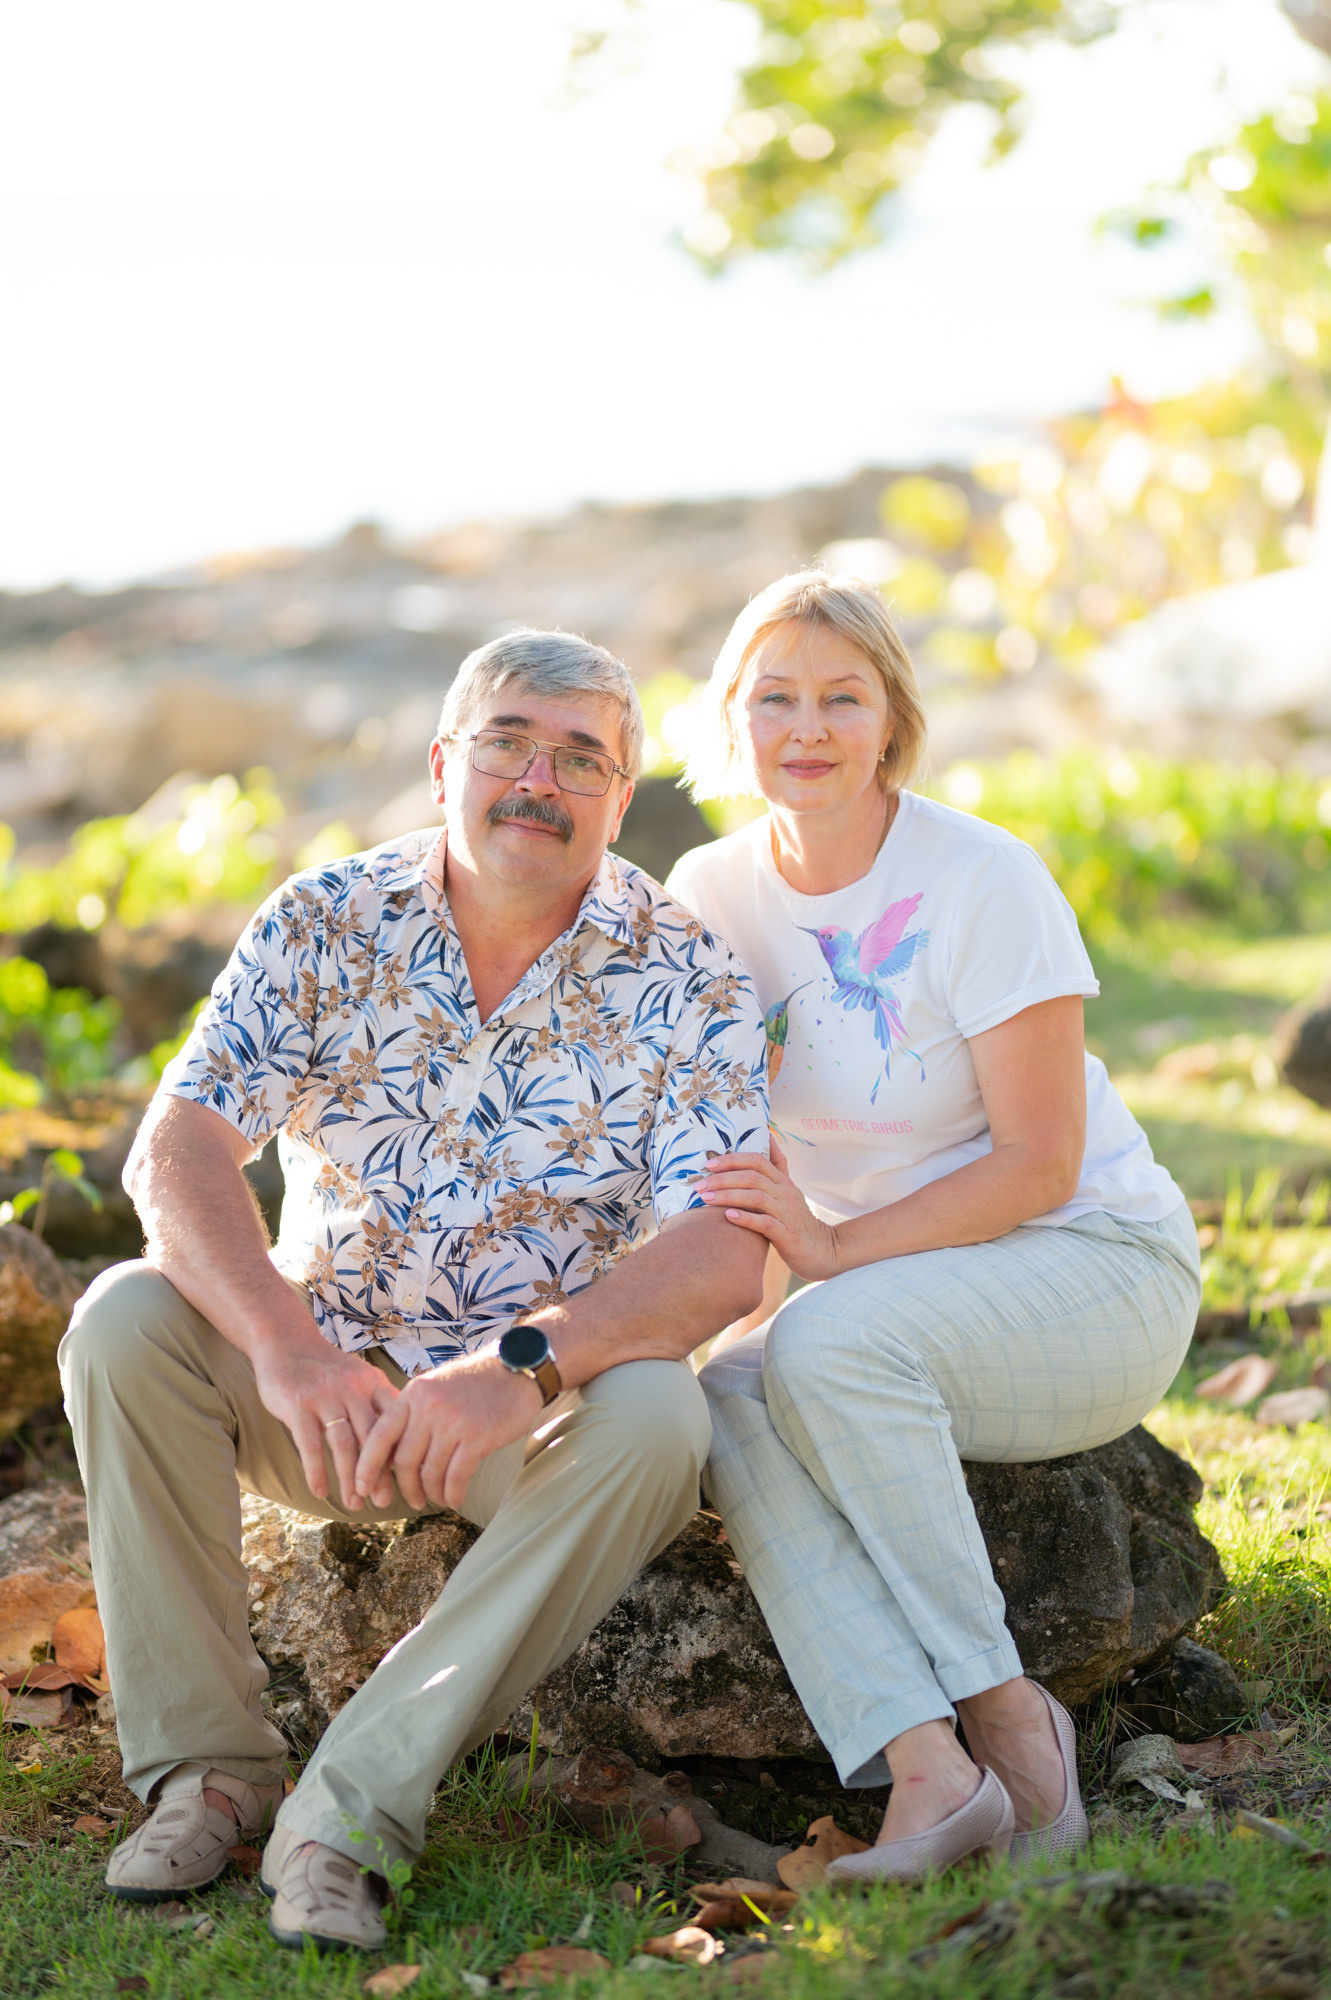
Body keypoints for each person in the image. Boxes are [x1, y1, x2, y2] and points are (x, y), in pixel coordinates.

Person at [61, 629, 769, 1951]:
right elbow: (181, 1150)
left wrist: (523, 1368)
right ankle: (209, 1771)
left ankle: (346, 1811)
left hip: (525, 1423)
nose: (537, 781)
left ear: (621, 801)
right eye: (507, 741)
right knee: (121, 1322)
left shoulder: (691, 975)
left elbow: (726, 1251)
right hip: (321, 1401)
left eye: (581, 759)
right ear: (445, 761)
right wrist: (286, 1352)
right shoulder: (324, 921)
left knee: (663, 1423)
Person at [665, 571, 1200, 1883]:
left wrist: (835, 1256)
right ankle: (927, 1767)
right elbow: (726, 1153)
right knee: (726, 1389)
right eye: (775, 696)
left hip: (1093, 1269)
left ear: (892, 720)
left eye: (844, 696)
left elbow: (1038, 1161)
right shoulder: (708, 892)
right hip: (895, 1299)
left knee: (824, 1344)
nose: (809, 726)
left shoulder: (981, 877)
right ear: (729, 724)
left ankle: (1018, 1726)